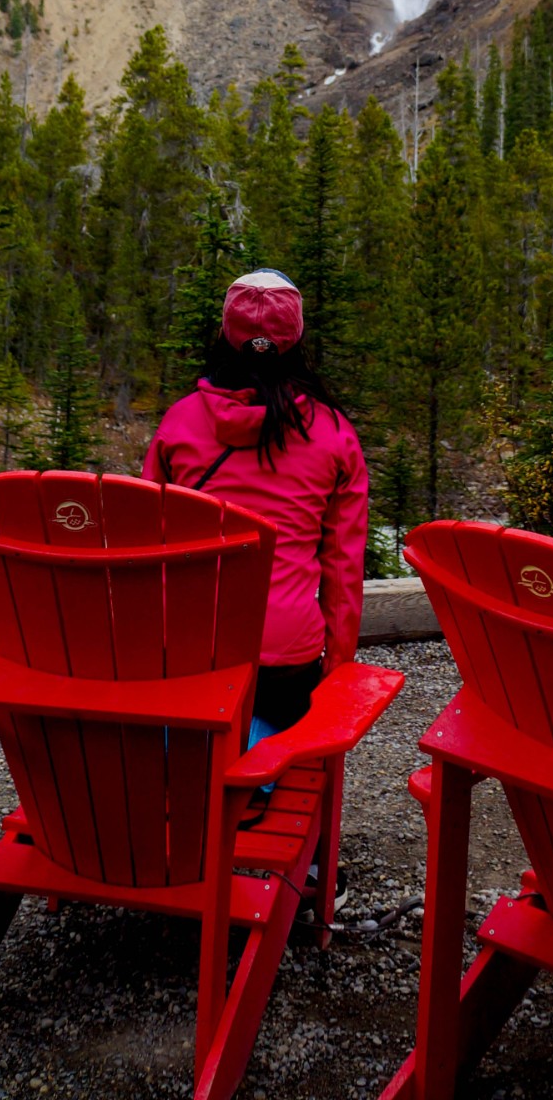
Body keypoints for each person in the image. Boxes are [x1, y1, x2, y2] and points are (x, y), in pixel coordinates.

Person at [142, 268, 369, 747]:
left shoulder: (179, 423)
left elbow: (148, 544)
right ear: (296, 339)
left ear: (226, 334)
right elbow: (343, 567)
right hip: (286, 659)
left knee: (194, 723)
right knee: (270, 722)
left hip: (191, 650)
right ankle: (258, 768)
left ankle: (191, 754)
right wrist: (338, 662)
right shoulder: (333, 433)